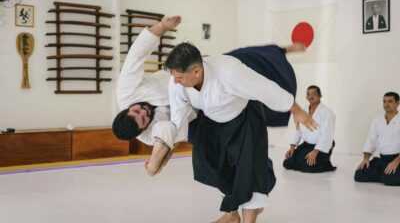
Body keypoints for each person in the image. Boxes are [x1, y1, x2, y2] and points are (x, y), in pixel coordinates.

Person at [166, 34, 317, 223]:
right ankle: (232, 215)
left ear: (196, 71)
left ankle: (249, 220)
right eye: (174, 77)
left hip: (246, 121)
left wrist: (297, 110)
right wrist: (167, 146)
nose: (175, 82)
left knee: (251, 171)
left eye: (179, 77)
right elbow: (177, 117)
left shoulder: (230, 71)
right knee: (218, 167)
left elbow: (266, 89)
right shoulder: (177, 82)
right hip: (213, 124)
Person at [112, 16, 191, 176]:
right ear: (143, 129)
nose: (143, 111)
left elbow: (136, 55)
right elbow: (168, 142)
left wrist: (162, 26)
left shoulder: (126, 92)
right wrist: (157, 164)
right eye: (143, 118)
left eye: (136, 111)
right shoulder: (149, 137)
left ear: (126, 109)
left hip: (183, 73)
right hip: (197, 113)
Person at [283, 85, 336, 173]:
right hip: (306, 146)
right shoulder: (303, 111)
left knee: (308, 167)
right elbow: (298, 130)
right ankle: (306, 159)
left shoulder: (328, 113)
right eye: (308, 94)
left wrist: (315, 151)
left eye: (314, 94)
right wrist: (292, 147)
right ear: (306, 97)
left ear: (320, 96)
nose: (310, 96)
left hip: (321, 147)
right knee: (288, 163)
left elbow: (326, 135)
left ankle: (325, 163)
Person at [354, 92, 400, 186]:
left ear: (397, 103)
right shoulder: (377, 120)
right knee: (359, 175)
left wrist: (396, 161)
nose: (386, 104)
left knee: (390, 180)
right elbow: (371, 139)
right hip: (382, 158)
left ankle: (385, 175)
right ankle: (384, 174)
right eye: (384, 101)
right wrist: (366, 158)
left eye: (390, 101)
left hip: (397, 158)